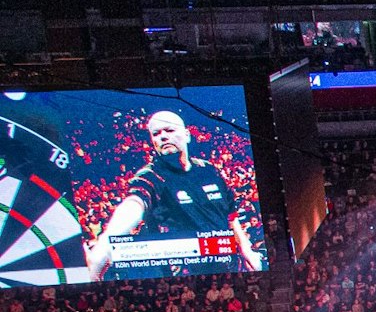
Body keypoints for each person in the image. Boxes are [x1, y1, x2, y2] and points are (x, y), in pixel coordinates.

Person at [84, 110, 264, 279]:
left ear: (187, 135)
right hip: (185, 276)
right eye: (156, 134)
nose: (163, 136)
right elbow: (134, 204)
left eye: (169, 130)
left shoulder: (208, 170)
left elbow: (231, 216)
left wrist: (245, 249)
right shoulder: (151, 175)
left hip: (228, 266)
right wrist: (104, 245)